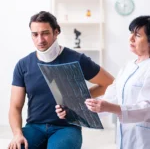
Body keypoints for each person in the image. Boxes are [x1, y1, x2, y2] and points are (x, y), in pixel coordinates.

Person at [8, 11, 114, 149]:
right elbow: (15, 107)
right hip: (35, 126)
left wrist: (78, 98)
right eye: (35, 34)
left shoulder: (76, 59)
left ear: (56, 32)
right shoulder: (23, 65)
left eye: (45, 33)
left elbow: (109, 82)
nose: (40, 40)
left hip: (66, 127)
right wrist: (17, 134)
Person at [84, 15, 150, 149]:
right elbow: (111, 99)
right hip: (124, 139)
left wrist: (111, 107)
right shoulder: (128, 67)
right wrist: (78, 110)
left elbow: (147, 108)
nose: (131, 38)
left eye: (137, 35)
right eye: (131, 33)